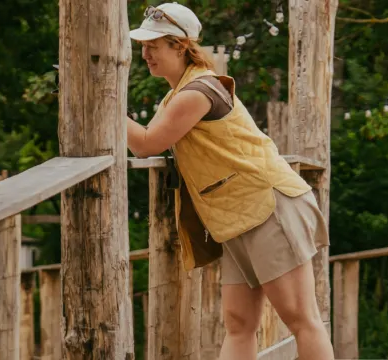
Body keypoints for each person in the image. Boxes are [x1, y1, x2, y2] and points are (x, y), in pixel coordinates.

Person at [123, 3, 335, 360]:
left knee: (301, 319)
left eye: (153, 45)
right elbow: (146, 136)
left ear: (179, 46)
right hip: (236, 218)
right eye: (143, 45)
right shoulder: (175, 96)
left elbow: (146, 144)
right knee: (238, 322)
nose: (145, 54)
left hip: (268, 206)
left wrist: (106, 102)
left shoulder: (197, 93)